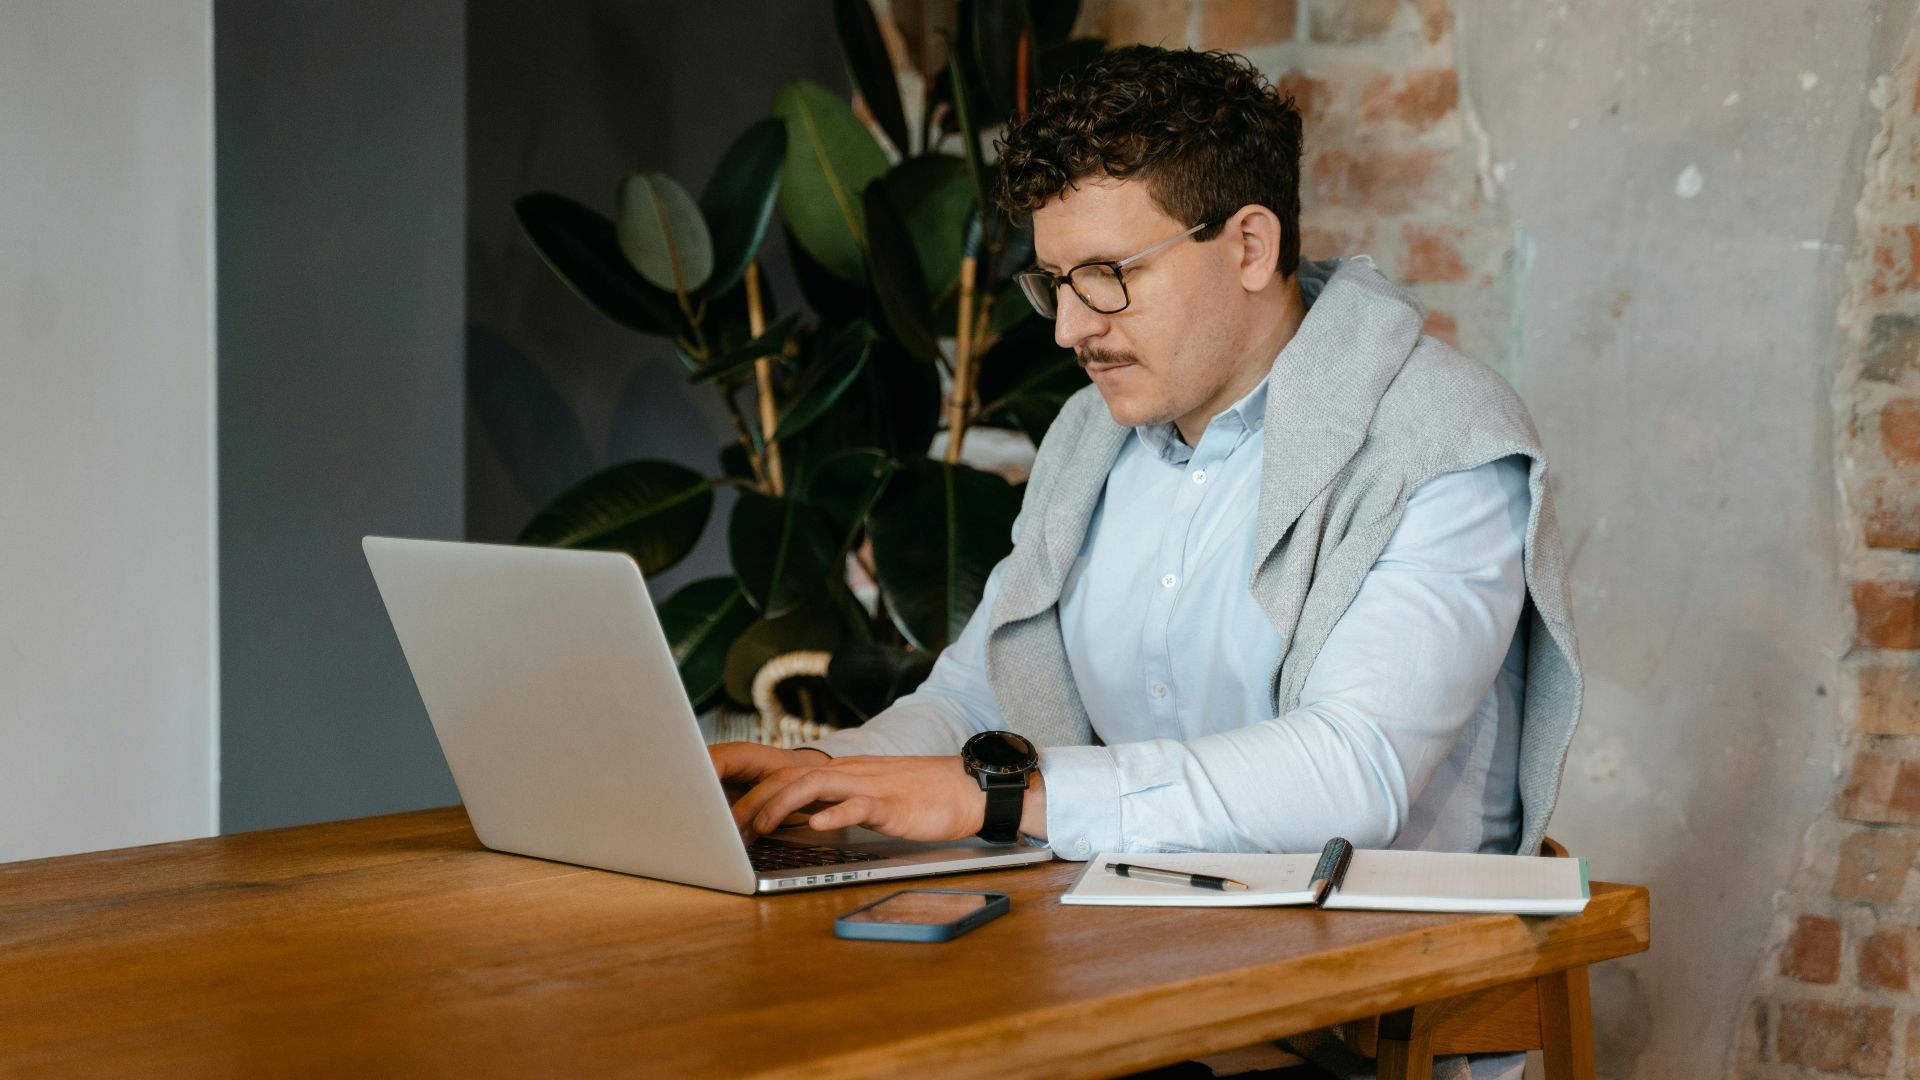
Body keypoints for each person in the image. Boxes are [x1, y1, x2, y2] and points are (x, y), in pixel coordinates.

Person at [710, 45, 1580, 871]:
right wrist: (821, 772)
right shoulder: (1090, 436)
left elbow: (1353, 772)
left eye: (1106, 274)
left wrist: (1004, 799)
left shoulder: (1441, 440)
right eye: (1054, 281)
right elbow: (978, 700)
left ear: (1249, 245)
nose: (1069, 327)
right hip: (1132, 941)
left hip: (1376, 983)